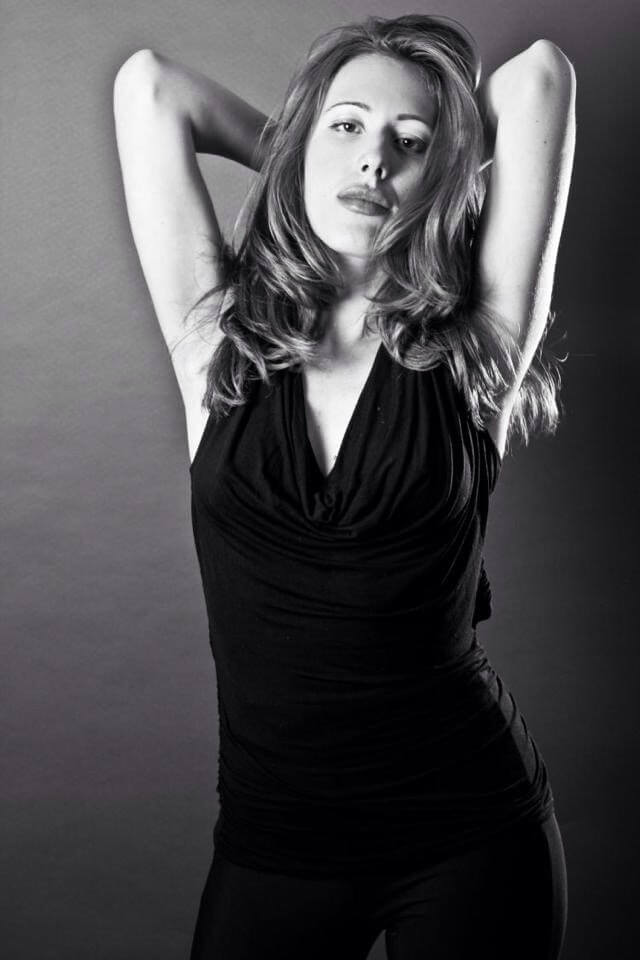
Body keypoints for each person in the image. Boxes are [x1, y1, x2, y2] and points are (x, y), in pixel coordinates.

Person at [113, 13, 576, 959]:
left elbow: (539, 78)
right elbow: (149, 88)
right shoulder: (216, 341)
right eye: (348, 126)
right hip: (275, 845)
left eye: (410, 142)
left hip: (470, 833)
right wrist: (300, 158)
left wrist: (433, 163)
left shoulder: (476, 353)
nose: (374, 160)